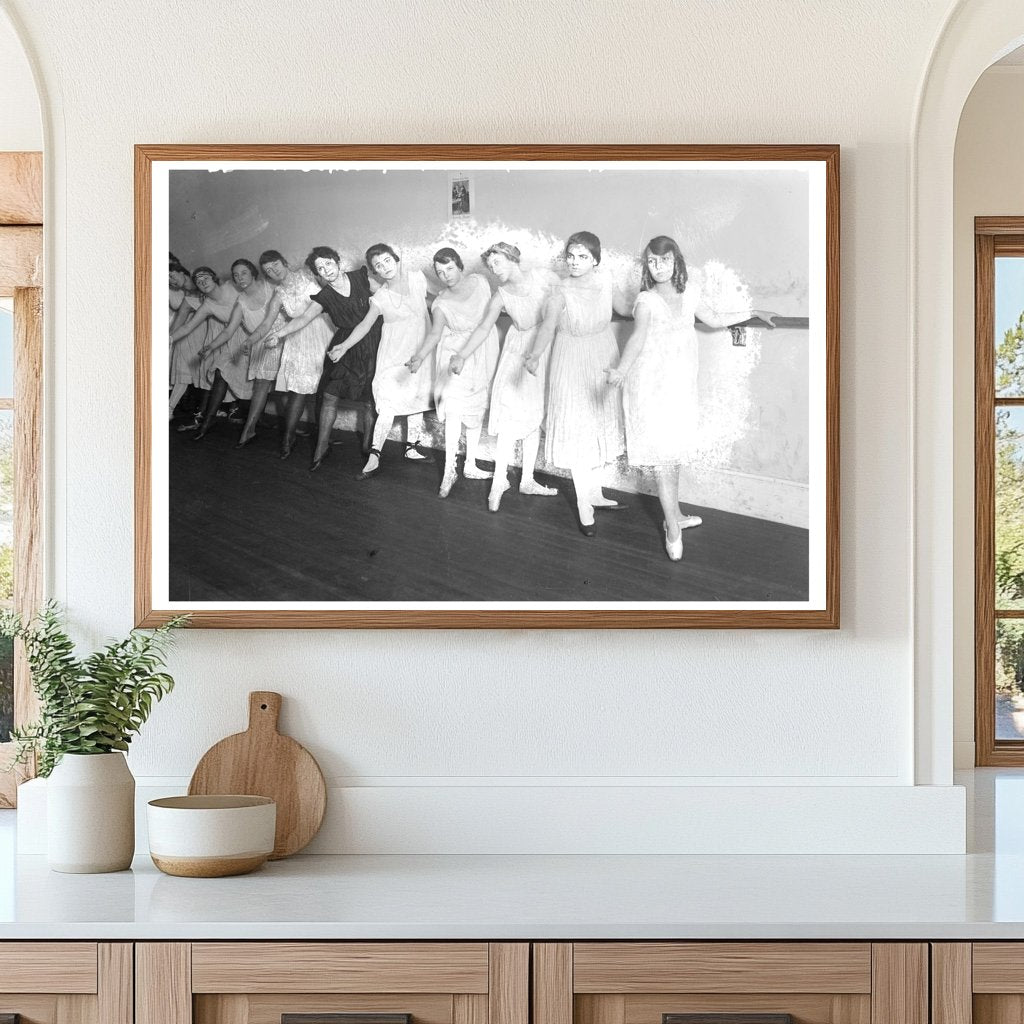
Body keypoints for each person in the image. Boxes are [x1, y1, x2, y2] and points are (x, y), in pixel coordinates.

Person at [605, 235, 777, 560]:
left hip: (680, 386)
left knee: (674, 452)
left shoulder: (690, 294)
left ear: (676, 262)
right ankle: (672, 527)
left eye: (665, 260)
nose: (658, 267)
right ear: (647, 265)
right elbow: (638, 337)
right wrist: (621, 370)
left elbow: (714, 319)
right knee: (664, 459)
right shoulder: (645, 300)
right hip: (650, 387)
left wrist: (754, 311)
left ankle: (677, 514)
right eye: (652, 262)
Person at [526, 231, 630, 537]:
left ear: (596, 260)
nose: (574, 261)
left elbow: (626, 308)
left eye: (582, 256)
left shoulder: (606, 280)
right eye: (570, 256)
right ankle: (584, 504)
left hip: (602, 354)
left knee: (597, 424)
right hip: (571, 357)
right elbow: (547, 326)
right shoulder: (560, 291)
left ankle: (595, 495)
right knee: (578, 428)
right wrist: (533, 356)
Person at [453, 241, 560, 511]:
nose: (493, 269)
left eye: (497, 262)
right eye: (490, 266)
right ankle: (499, 481)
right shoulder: (500, 295)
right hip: (517, 352)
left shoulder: (544, 278)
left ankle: (527, 480)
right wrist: (462, 355)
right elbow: (483, 328)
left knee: (535, 416)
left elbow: (563, 307)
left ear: (513, 258)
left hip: (544, 349)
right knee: (512, 416)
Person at [321, 243, 434, 480]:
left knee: (417, 394)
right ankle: (375, 455)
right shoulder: (380, 297)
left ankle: (413, 447)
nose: (384, 268)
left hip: (421, 348)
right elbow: (364, 325)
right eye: (378, 266)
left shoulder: (417, 279)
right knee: (389, 401)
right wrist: (343, 346)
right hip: (393, 353)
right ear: (374, 272)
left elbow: (437, 302)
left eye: (386, 261)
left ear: (395, 259)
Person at [265, 246, 381, 471]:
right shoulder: (324, 296)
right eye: (320, 268)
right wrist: (277, 335)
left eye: (328, 263)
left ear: (338, 262)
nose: (326, 269)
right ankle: (321, 448)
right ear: (317, 274)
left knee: (369, 399)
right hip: (344, 346)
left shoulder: (362, 277)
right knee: (329, 394)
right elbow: (302, 319)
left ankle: (368, 447)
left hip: (373, 342)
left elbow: (387, 297)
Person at [406, 248, 497, 497]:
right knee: (455, 411)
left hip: (482, 349)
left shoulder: (480, 282)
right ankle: (449, 471)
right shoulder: (441, 303)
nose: (445, 275)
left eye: (449, 268)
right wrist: (419, 356)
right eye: (439, 272)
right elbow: (435, 333)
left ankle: (470, 465)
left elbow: (493, 312)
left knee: (476, 410)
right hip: (454, 358)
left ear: (459, 265)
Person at [239, 250, 335, 457]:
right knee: (298, 392)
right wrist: (250, 340)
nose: (273, 271)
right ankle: (288, 438)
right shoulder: (279, 294)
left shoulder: (309, 274)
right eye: (268, 271)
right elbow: (266, 324)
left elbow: (334, 290)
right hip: (298, 342)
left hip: (325, 334)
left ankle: (322, 437)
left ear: (285, 262)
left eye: (275, 265)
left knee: (326, 390)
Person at [191, 259, 273, 441]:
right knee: (221, 371)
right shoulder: (235, 298)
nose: (240, 277)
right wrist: (210, 346)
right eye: (236, 275)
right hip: (239, 339)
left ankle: (256, 420)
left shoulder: (256, 288)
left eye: (243, 273)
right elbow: (227, 330)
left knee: (262, 381)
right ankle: (207, 422)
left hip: (264, 339)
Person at [169, 266, 240, 433]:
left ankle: (231, 413)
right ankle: (206, 420)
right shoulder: (206, 304)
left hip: (248, 335)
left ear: (214, 277)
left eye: (205, 278)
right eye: (199, 281)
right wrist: (168, 339)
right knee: (216, 373)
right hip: (226, 337)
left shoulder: (231, 286)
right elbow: (186, 326)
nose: (202, 282)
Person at [167, 260, 204, 419]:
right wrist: (167, 340)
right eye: (167, 279)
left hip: (206, 334)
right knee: (183, 372)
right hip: (187, 336)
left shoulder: (203, 285)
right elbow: (177, 324)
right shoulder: (186, 298)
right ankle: (168, 410)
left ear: (182, 272)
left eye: (172, 275)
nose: (170, 280)